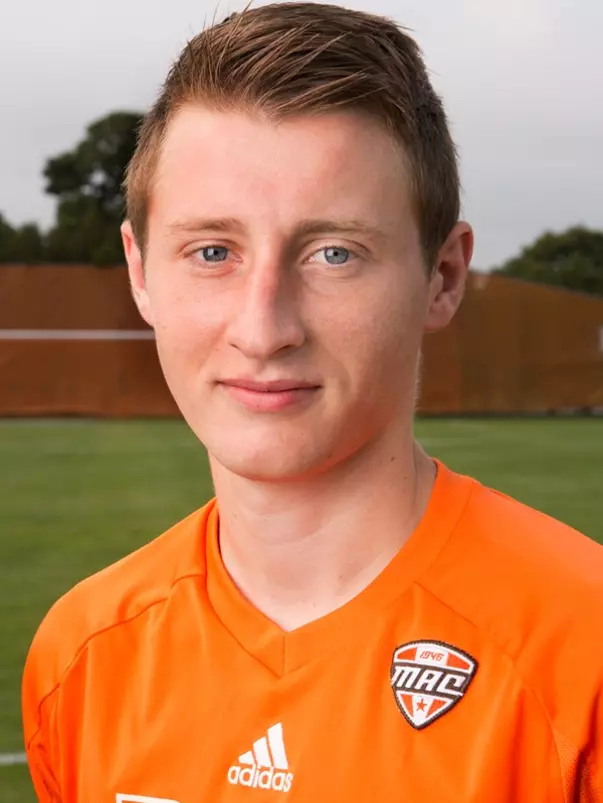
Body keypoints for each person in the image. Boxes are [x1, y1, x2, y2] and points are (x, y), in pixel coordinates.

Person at [22, 4, 603, 801]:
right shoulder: (82, 653)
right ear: (140, 270)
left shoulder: (583, 653)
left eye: (335, 252)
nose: (263, 328)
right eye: (212, 251)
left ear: (443, 276)